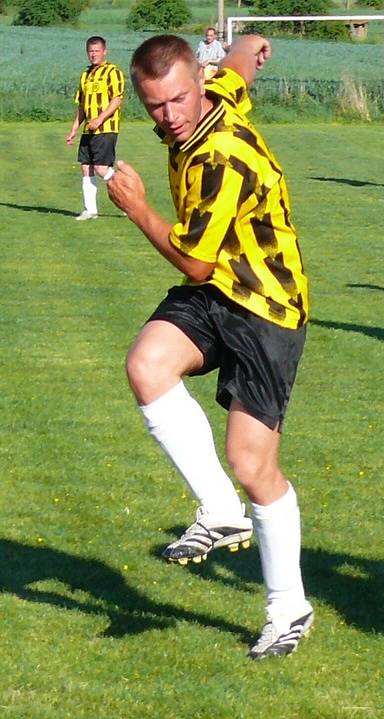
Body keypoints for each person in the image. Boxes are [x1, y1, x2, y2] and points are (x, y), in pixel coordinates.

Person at [105, 34, 313, 660]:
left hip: (266, 306)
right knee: (147, 363)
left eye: (177, 100)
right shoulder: (214, 88)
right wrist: (251, 45)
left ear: (195, 82)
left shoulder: (219, 153)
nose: (169, 116)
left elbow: (195, 261)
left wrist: (138, 208)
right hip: (222, 290)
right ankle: (218, 508)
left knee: (252, 464)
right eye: (155, 106)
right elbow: (239, 66)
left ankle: (287, 608)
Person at [66, 36, 125, 221]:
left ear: (104, 51)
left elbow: (117, 99)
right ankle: (90, 210)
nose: (93, 54)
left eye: (97, 51)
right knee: (86, 167)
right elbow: (82, 105)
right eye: (90, 51)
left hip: (106, 128)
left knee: (101, 168)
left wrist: (100, 119)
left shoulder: (112, 72)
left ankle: (128, 200)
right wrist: (74, 128)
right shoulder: (85, 75)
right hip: (88, 130)